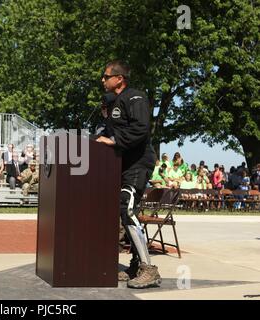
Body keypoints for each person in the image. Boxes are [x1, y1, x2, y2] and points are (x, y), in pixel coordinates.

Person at [96, 60, 161, 289]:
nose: (102, 80)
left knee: (127, 207)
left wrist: (113, 140)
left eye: (106, 76)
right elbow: (107, 133)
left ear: (119, 79)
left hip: (138, 163)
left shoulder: (136, 97)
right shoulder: (114, 104)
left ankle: (148, 269)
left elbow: (141, 129)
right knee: (122, 211)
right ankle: (134, 265)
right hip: (123, 165)